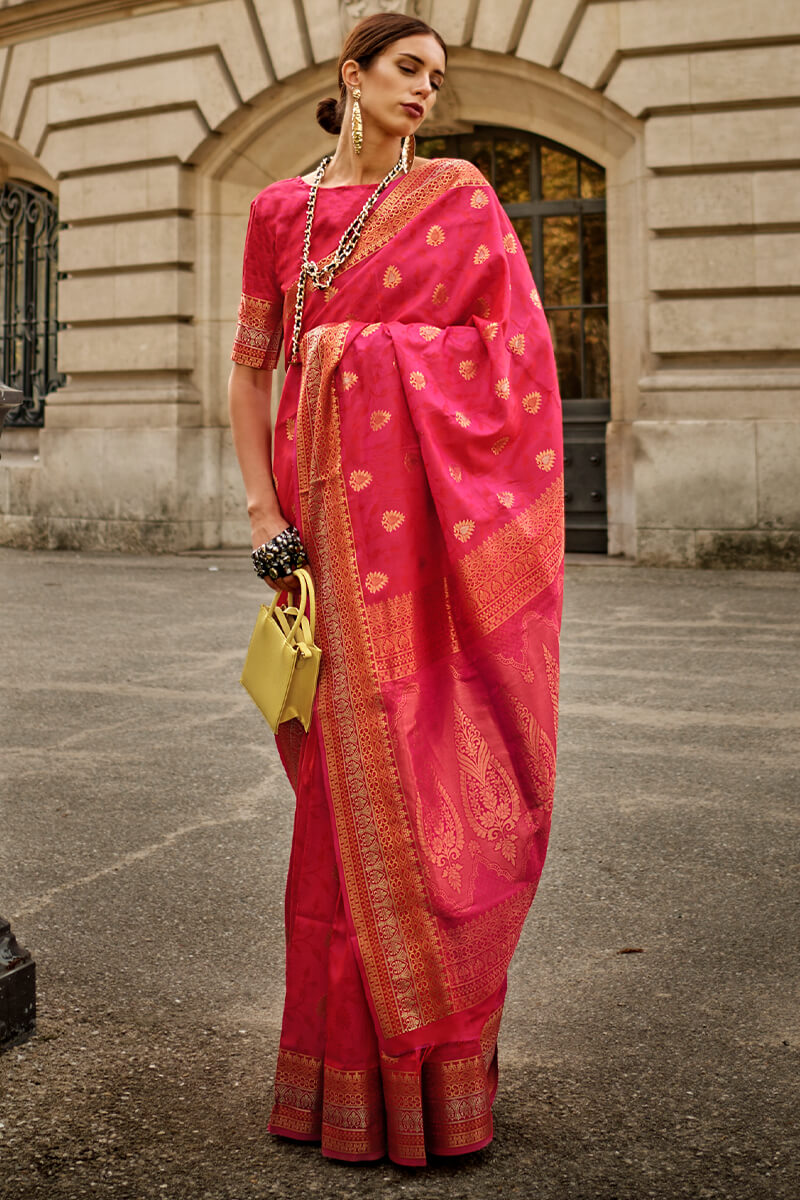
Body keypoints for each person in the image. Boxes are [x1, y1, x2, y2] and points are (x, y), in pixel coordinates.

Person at [228, 11, 564, 1167]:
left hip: (427, 553)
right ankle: (337, 1087)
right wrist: (265, 517)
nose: (427, 90)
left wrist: (360, 354)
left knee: (431, 799)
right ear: (353, 76)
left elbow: (514, 363)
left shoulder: (461, 197)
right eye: (408, 70)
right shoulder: (281, 212)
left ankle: (434, 1080)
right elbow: (253, 370)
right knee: (335, 808)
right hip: (319, 541)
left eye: (438, 76)